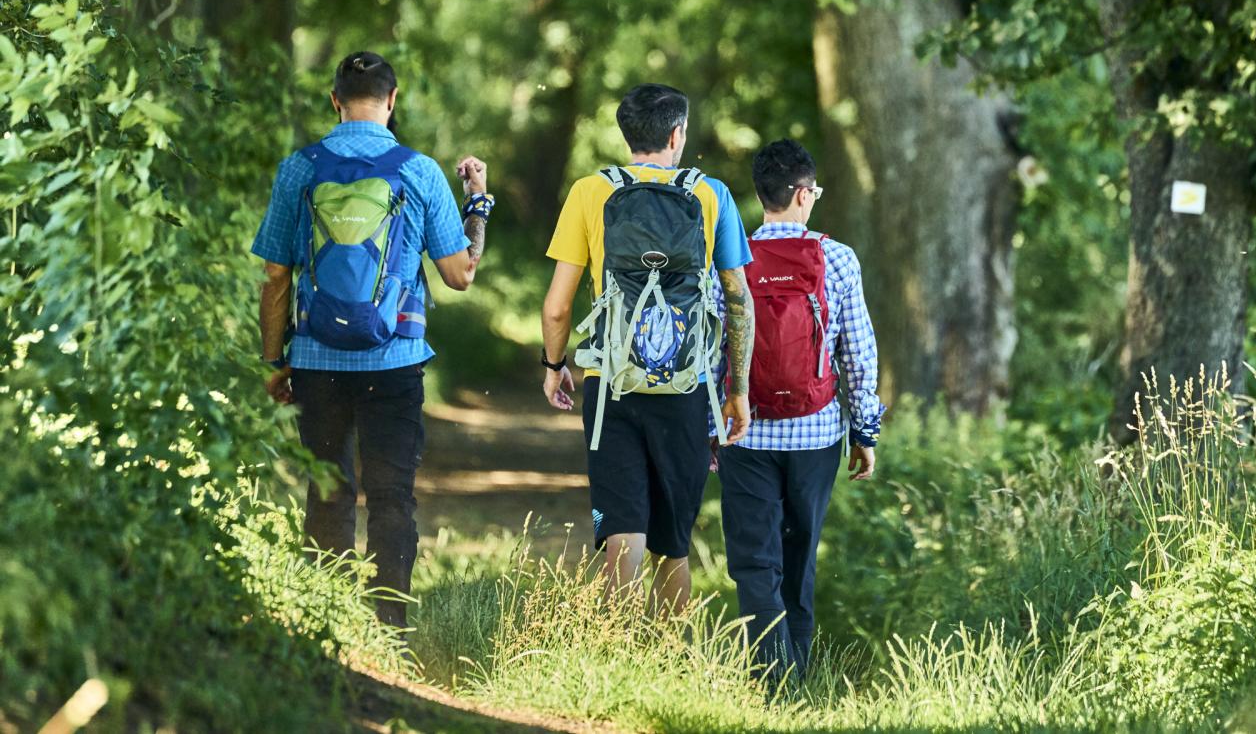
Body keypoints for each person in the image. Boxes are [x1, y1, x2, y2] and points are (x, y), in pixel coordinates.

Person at [252, 51, 493, 629]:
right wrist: (478, 204)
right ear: (392, 99)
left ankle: (326, 625)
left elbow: (276, 276)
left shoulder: (299, 169)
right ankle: (390, 629)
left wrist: (273, 360)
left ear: (334, 101)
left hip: (315, 358)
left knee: (328, 489)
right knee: (392, 496)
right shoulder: (419, 171)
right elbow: (460, 275)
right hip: (396, 359)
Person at [540, 83, 755, 613]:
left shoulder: (590, 192)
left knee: (621, 532)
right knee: (672, 544)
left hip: (611, 386)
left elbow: (557, 308)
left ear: (626, 135)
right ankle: (669, 651)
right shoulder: (712, 194)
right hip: (687, 388)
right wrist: (738, 390)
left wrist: (554, 364)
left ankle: (618, 649)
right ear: (677, 134)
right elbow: (738, 301)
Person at [718, 138, 884, 688]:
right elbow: (857, 354)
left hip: (745, 433)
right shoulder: (837, 258)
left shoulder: (731, 256)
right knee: (799, 556)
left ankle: (773, 679)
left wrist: (711, 428)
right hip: (817, 435)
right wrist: (864, 431)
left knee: (754, 563)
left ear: (762, 194)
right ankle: (798, 680)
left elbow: (713, 349)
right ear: (804, 194)